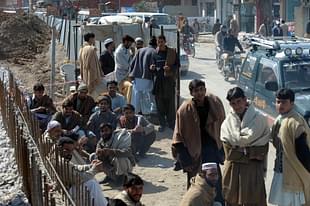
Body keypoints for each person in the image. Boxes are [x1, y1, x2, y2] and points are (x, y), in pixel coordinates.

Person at [172, 79, 225, 204]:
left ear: (205, 90)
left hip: (211, 152)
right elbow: (178, 138)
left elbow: (222, 128)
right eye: (196, 91)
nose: (200, 93)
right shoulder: (185, 110)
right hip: (194, 155)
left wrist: (221, 150)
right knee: (197, 188)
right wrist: (185, 160)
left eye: (202, 90)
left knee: (216, 184)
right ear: (191, 93)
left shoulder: (214, 104)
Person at [220, 87, 270, 206]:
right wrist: (251, 153)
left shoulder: (260, 119)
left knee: (254, 201)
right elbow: (230, 153)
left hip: (253, 171)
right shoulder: (228, 123)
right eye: (233, 103)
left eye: (239, 102)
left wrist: (241, 150)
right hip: (233, 171)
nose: (237, 106)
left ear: (245, 99)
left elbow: (263, 149)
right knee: (232, 200)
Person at [269, 88, 310, 206]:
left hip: (293, 174)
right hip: (281, 172)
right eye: (278, 102)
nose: (280, 105)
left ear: (292, 103)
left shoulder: (294, 122)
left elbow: (303, 152)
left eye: (284, 102)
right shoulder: (280, 119)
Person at [56, 136, 109, 206]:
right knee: (91, 183)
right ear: (59, 148)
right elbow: (79, 179)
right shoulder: (60, 161)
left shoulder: (60, 156)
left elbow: (75, 167)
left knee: (92, 181)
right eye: (67, 150)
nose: (69, 153)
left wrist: (90, 166)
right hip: (65, 191)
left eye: (70, 151)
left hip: (71, 187)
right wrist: (94, 170)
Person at [150, 35, 179, 132]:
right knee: (160, 105)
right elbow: (152, 67)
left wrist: (170, 68)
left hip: (169, 81)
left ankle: (171, 123)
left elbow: (177, 65)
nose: (160, 43)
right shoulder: (155, 53)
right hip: (159, 82)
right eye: (159, 42)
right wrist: (152, 68)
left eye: (162, 41)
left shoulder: (172, 52)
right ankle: (162, 124)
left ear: (165, 42)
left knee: (170, 104)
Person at [129, 36, 157, 115]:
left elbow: (132, 63)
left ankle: (136, 113)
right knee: (148, 97)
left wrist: (132, 74)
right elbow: (153, 67)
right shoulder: (154, 52)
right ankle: (148, 113)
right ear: (156, 45)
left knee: (137, 96)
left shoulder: (140, 50)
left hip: (137, 77)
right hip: (147, 77)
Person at [79, 33, 105, 99]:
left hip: (85, 76)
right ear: (90, 39)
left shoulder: (82, 49)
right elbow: (93, 67)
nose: (94, 40)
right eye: (94, 39)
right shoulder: (91, 49)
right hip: (93, 78)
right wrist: (97, 76)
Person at [115, 35, 135, 103]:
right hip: (121, 77)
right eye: (130, 43)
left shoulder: (127, 50)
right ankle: (128, 104)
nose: (130, 45)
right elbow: (125, 65)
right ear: (126, 42)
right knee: (130, 87)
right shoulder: (119, 52)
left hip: (127, 75)